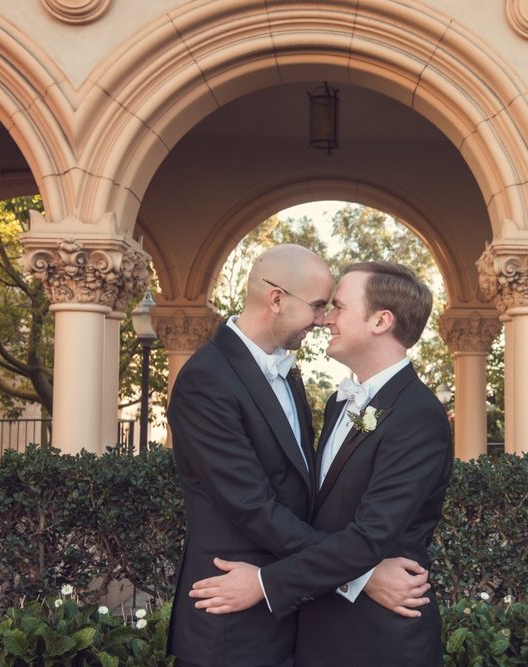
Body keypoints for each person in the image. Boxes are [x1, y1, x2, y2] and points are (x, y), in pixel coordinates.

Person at [168, 247, 430, 667]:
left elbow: (309, 497)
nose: (324, 319)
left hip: (298, 614)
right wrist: (360, 575)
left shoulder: (290, 374)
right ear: (277, 300)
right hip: (232, 616)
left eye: (334, 307)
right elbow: (253, 506)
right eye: (320, 306)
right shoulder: (206, 379)